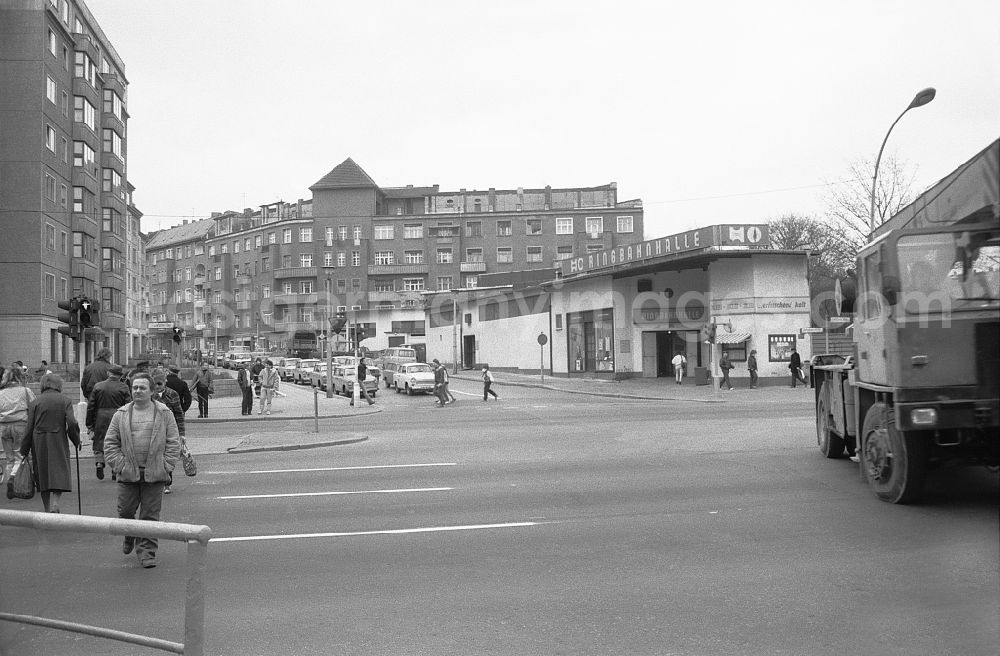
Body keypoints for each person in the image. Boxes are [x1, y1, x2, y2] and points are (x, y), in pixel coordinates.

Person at [104, 372, 180, 569]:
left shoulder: (164, 413)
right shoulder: (121, 414)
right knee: (126, 511)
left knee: (150, 516)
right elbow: (110, 443)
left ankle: (147, 552)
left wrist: (166, 465)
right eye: (135, 387)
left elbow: (173, 442)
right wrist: (119, 465)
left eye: (142, 387)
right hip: (128, 473)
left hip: (154, 474)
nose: (137, 391)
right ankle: (130, 533)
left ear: (152, 391)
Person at [19, 374, 80, 513]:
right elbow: (71, 422)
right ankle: (55, 504)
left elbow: (29, 427)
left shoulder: (35, 402)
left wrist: (24, 448)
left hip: (38, 441)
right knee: (59, 470)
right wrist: (76, 439)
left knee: (41, 472)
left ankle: (46, 509)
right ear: (59, 385)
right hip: (58, 439)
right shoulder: (65, 400)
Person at [86, 364, 131, 481]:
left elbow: (91, 406)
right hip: (118, 416)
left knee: (99, 441)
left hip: (100, 417)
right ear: (120, 375)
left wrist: (89, 424)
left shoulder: (98, 386)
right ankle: (115, 469)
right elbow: (129, 406)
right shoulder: (124, 387)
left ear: (108, 374)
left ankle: (100, 462)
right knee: (117, 442)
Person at [151, 369, 186, 494]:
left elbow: (179, 414)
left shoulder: (173, 394)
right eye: (155, 384)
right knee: (154, 456)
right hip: (152, 431)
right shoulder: (148, 396)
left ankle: (167, 482)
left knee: (167, 456)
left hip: (169, 431)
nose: (158, 387)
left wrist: (182, 434)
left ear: (164, 383)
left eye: (160, 384)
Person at [0, 366, 36, 485]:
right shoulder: (25, 391)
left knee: (9, 458)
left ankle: (9, 478)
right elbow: (34, 407)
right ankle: (15, 479)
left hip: (4, 426)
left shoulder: (1, 393)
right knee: (21, 455)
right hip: (20, 425)